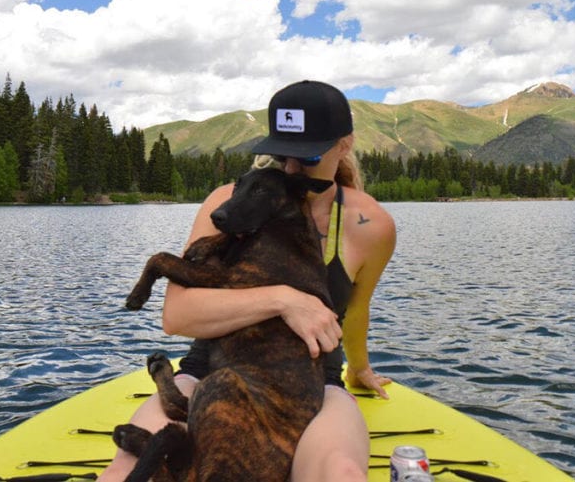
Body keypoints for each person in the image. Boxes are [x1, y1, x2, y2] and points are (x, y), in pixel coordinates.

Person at [99, 80, 396, 482]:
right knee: (126, 469)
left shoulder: (370, 225)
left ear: (344, 145)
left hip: (310, 388)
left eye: (305, 157)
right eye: (280, 155)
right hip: (209, 376)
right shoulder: (232, 204)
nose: (290, 170)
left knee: (339, 472)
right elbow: (178, 316)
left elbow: (356, 309)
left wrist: (359, 368)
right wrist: (284, 300)